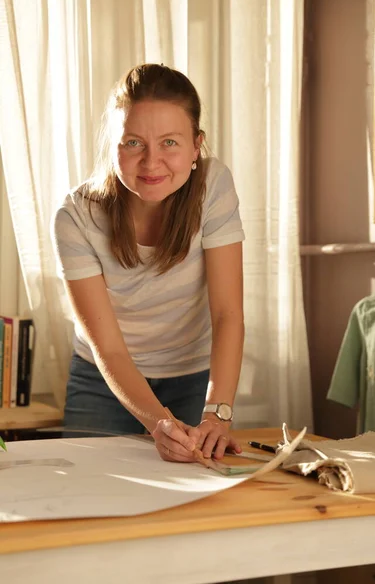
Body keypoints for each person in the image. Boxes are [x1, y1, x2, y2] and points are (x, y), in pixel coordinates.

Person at [52, 63, 245, 463]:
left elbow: (228, 313)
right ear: (114, 146)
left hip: (192, 374)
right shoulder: (75, 216)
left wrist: (217, 414)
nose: (152, 162)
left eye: (170, 143)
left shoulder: (213, 187)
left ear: (196, 146)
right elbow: (109, 350)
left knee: (191, 498)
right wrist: (160, 424)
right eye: (134, 143)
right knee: (92, 492)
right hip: (103, 379)